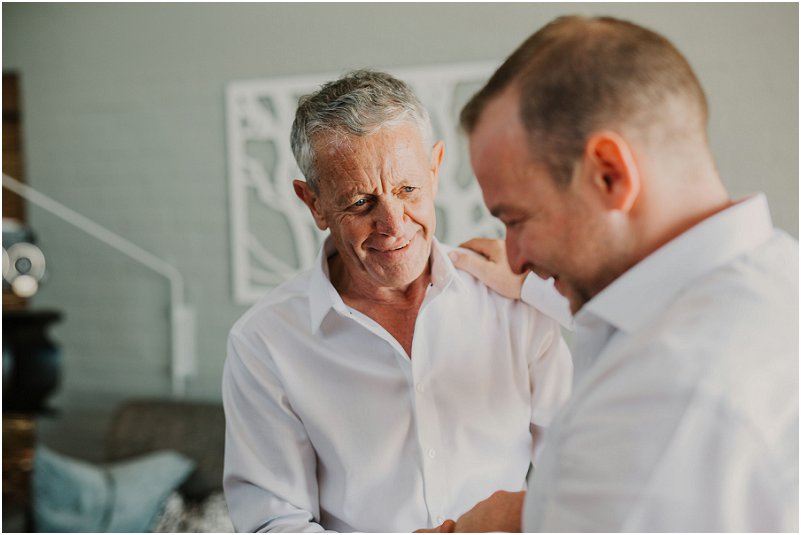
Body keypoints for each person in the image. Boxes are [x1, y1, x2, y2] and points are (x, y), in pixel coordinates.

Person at [434, 14, 799, 532]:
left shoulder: (651, 404)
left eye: (516, 220)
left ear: (610, 174)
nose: (514, 257)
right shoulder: (779, 277)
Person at [221, 70, 574, 532]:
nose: (393, 224)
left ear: (435, 169)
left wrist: (544, 292)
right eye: (361, 202)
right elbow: (273, 524)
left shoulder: (516, 303)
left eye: (408, 189)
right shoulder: (263, 342)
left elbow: (580, 474)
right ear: (314, 203)